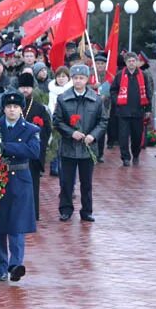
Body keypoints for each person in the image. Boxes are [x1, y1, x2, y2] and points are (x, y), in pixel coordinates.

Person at [0, 92, 40, 282]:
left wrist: (5, 147)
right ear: (4, 108)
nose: (12, 110)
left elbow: (33, 151)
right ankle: (0, 268)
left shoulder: (30, 129)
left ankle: (15, 265)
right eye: (8, 107)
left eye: (15, 107)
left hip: (20, 179)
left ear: (21, 109)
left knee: (17, 226)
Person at [53, 64, 108, 222]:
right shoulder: (63, 98)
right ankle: (65, 209)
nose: (78, 81)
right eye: (75, 78)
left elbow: (103, 121)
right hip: (69, 147)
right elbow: (57, 121)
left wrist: (93, 135)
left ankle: (87, 210)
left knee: (87, 182)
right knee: (67, 182)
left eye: (81, 78)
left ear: (87, 79)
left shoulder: (95, 99)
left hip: (87, 148)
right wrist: (71, 133)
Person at [17, 73, 52, 221]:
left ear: (32, 88)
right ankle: (17, 213)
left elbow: (47, 129)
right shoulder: (12, 107)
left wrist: (35, 144)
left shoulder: (39, 108)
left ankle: (33, 214)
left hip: (32, 153)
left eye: (28, 87)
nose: (25, 90)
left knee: (33, 184)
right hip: (16, 153)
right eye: (22, 87)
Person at [109, 52, 152, 167]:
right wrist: (117, 101)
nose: (131, 63)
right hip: (123, 112)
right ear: (126, 63)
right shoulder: (119, 75)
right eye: (129, 61)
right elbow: (113, 91)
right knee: (123, 137)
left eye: (133, 61)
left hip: (138, 111)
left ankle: (136, 155)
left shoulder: (143, 75)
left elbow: (148, 93)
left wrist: (148, 109)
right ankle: (125, 158)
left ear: (137, 62)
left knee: (137, 136)